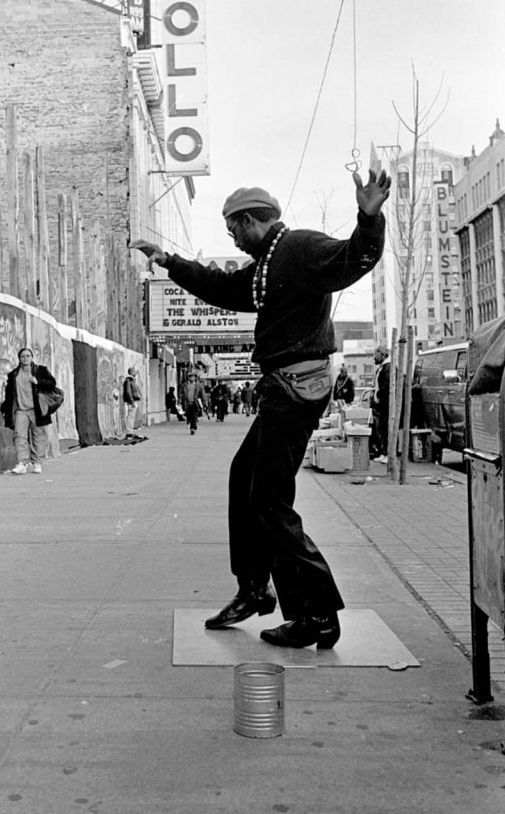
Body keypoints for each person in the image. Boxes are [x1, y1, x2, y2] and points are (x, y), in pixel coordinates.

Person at [131, 168, 390, 649]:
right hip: (284, 389)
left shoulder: (300, 248)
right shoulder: (270, 262)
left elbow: (356, 258)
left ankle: (317, 615)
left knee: (270, 501)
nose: (232, 237)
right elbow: (225, 290)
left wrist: (368, 216)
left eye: (233, 228)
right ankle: (253, 589)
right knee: (243, 477)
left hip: (296, 389)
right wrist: (169, 261)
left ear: (252, 221)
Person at [1, 347, 57, 474]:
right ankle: (22, 463)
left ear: (32, 358)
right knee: (19, 435)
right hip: (21, 410)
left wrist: (38, 382)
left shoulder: (40, 371)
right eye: (22, 356)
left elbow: (52, 384)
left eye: (27, 356)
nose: (25, 358)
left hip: (37, 409)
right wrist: (5, 408)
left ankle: (37, 462)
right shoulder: (14, 374)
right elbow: (9, 394)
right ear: (19, 359)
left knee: (38, 436)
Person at [370, 347, 391, 463]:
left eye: (376, 355)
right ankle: (384, 452)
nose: (374, 357)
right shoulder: (383, 368)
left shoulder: (387, 368)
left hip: (385, 404)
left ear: (382, 355)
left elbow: (386, 386)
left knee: (385, 428)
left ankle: (387, 453)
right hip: (382, 403)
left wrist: (378, 395)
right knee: (381, 429)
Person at [123, 367, 142, 435]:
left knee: (132, 417)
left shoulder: (132, 380)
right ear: (131, 372)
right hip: (131, 401)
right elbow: (128, 392)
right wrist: (132, 401)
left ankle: (130, 430)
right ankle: (129, 431)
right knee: (130, 417)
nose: (135, 372)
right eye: (134, 371)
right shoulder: (129, 381)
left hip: (134, 400)